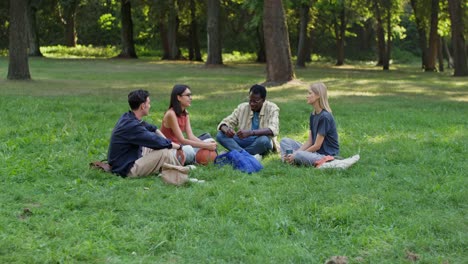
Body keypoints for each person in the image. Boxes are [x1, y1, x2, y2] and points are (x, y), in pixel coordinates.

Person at [107, 89, 185, 177]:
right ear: (143, 106)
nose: (150, 106)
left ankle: (172, 168)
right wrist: (179, 147)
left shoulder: (128, 117)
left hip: (127, 159)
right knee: (164, 152)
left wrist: (166, 140)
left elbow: (152, 128)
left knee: (163, 146)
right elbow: (155, 141)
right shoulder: (132, 126)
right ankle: (180, 173)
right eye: (148, 103)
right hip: (126, 169)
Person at [280, 82, 339, 166]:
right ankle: (290, 159)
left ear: (318, 95)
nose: (307, 96)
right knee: (284, 141)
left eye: (310, 93)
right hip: (314, 152)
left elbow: (317, 146)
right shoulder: (313, 115)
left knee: (299, 155)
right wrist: (296, 152)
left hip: (324, 155)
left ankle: (290, 159)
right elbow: (310, 141)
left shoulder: (325, 117)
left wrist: (297, 154)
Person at [216, 84, 279, 157]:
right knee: (220, 134)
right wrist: (226, 130)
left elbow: (273, 129)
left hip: (260, 141)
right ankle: (246, 155)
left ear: (263, 100)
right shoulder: (242, 107)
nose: (252, 104)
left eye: (255, 101)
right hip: (244, 140)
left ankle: (235, 154)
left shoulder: (272, 108)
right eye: (250, 100)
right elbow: (225, 123)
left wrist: (251, 132)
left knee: (264, 140)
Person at [160, 84, 217, 164]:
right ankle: (196, 159)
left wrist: (206, 144)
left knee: (210, 140)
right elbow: (182, 140)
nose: (191, 98)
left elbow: (191, 136)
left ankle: (198, 158)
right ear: (179, 97)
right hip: (170, 151)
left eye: (190, 95)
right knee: (189, 150)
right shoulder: (171, 114)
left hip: (181, 147)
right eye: (188, 95)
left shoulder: (185, 113)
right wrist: (205, 146)